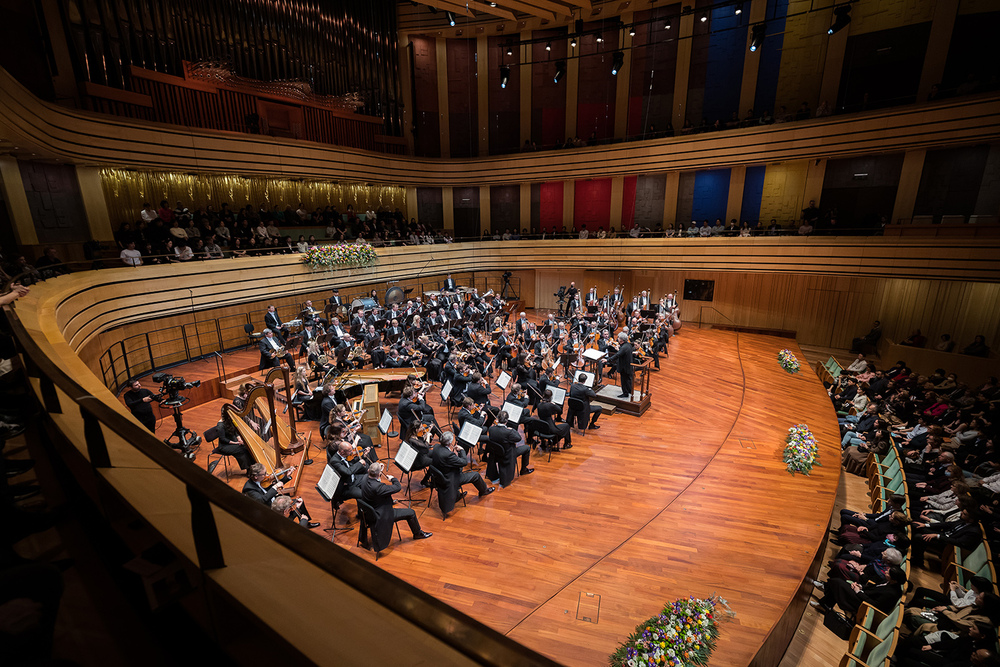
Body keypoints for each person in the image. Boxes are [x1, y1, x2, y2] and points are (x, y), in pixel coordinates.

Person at [360, 461, 432, 550]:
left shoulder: (364, 478)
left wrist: (379, 470)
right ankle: (418, 534)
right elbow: (397, 487)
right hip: (381, 515)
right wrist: (393, 479)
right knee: (411, 512)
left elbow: (374, 482)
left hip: (369, 512)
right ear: (378, 474)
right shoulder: (378, 487)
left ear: (368, 471)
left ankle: (418, 533)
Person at [430, 431, 494, 516]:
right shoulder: (448, 455)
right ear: (449, 443)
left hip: (441, 476)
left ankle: (457, 494)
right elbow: (464, 462)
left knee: (460, 467)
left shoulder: (436, 447)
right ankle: (484, 490)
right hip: (450, 479)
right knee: (476, 475)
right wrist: (462, 451)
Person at [485, 410, 532, 486]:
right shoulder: (508, 432)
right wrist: (512, 430)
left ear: (498, 419)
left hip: (497, 453)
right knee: (526, 448)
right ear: (506, 420)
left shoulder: (491, 429)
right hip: (508, 454)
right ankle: (524, 470)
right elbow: (518, 438)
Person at [607, 332, 634, 399]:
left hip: (624, 367)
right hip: (629, 366)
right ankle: (630, 391)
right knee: (628, 379)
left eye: (618, 338)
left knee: (624, 381)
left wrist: (608, 360)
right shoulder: (628, 345)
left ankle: (625, 393)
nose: (617, 339)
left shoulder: (624, 347)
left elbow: (617, 355)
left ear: (621, 340)